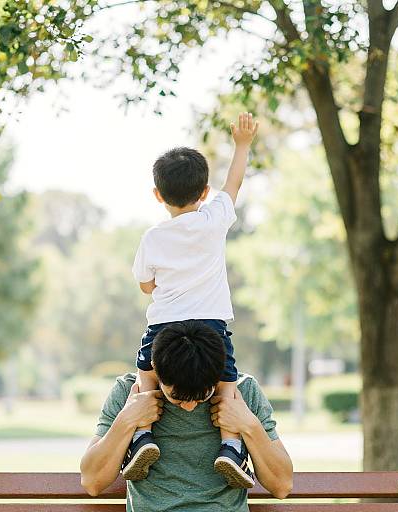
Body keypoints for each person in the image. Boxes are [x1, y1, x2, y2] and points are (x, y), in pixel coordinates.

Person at [128, 112, 259, 487]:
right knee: (226, 381)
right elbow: (233, 184)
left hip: (164, 326)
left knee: (146, 378)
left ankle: (141, 436)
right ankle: (231, 447)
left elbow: (145, 285)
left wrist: (158, 287)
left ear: (158, 195)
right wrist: (242, 144)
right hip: (211, 326)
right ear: (203, 193)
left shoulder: (152, 238)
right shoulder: (213, 220)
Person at [80, 320, 293, 511]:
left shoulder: (244, 392)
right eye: (177, 397)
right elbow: (92, 481)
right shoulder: (129, 392)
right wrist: (127, 419)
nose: (190, 406)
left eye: (202, 396)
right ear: (157, 371)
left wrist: (248, 424)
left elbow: (282, 486)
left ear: (219, 373)